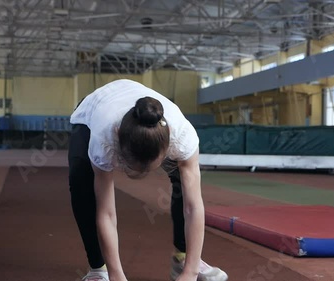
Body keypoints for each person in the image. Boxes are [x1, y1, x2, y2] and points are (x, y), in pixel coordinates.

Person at [68, 79, 228, 281]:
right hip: (90, 113)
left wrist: (191, 272)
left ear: (168, 143)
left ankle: (184, 259)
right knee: (81, 183)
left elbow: (193, 207)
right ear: (118, 139)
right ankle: (98, 269)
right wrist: (117, 274)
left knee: (183, 182)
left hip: (144, 120)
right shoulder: (104, 137)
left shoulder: (183, 136)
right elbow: (106, 213)